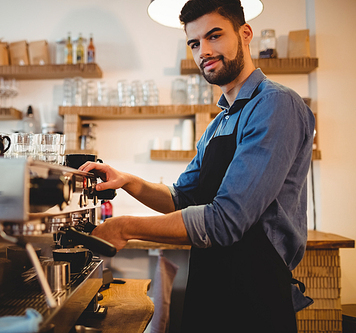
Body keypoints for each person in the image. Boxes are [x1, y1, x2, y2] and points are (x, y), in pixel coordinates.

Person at [79, 0, 315, 331]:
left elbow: (226, 220)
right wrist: (128, 180)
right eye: (194, 43)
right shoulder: (218, 124)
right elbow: (182, 197)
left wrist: (124, 227)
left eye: (214, 36)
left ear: (245, 33)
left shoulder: (275, 104)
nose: (203, 50)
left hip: (256, 299)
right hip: (209, 288)